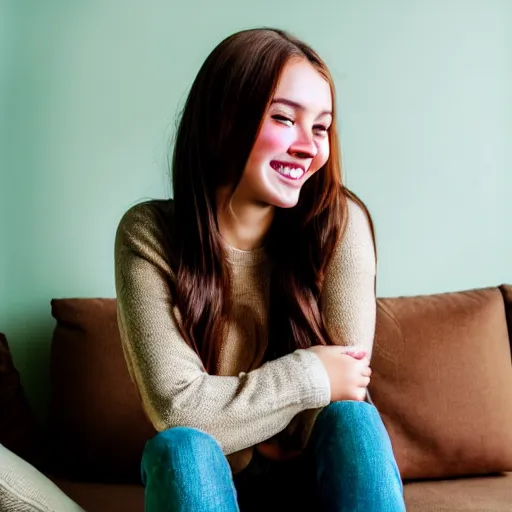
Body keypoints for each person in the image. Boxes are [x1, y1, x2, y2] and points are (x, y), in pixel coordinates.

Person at [114, 27, 405, 512]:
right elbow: (178, 410)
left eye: (321, 127)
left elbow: (342, 393)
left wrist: (229, 407)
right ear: (222, 120)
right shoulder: (148, 234)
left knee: (353, 421)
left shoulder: (340, 223)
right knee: (183, 447)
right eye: (284, 118)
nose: (309, 147)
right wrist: (310, 371)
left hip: (317, 476)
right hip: (209, 482)